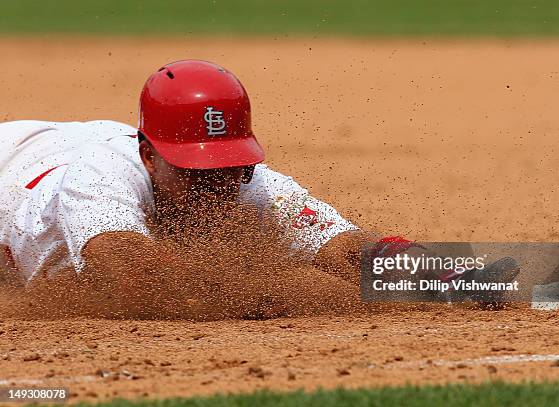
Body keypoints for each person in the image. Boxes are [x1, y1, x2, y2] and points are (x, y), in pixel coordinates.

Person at [0, 60, 519, 317]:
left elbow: (339, 246)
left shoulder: (252, 183)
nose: (219, 185)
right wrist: (301, 293)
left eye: (231, 166)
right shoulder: (100, 176)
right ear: (149, 156)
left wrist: (436, 275)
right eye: (198, 171)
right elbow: (137, 277)